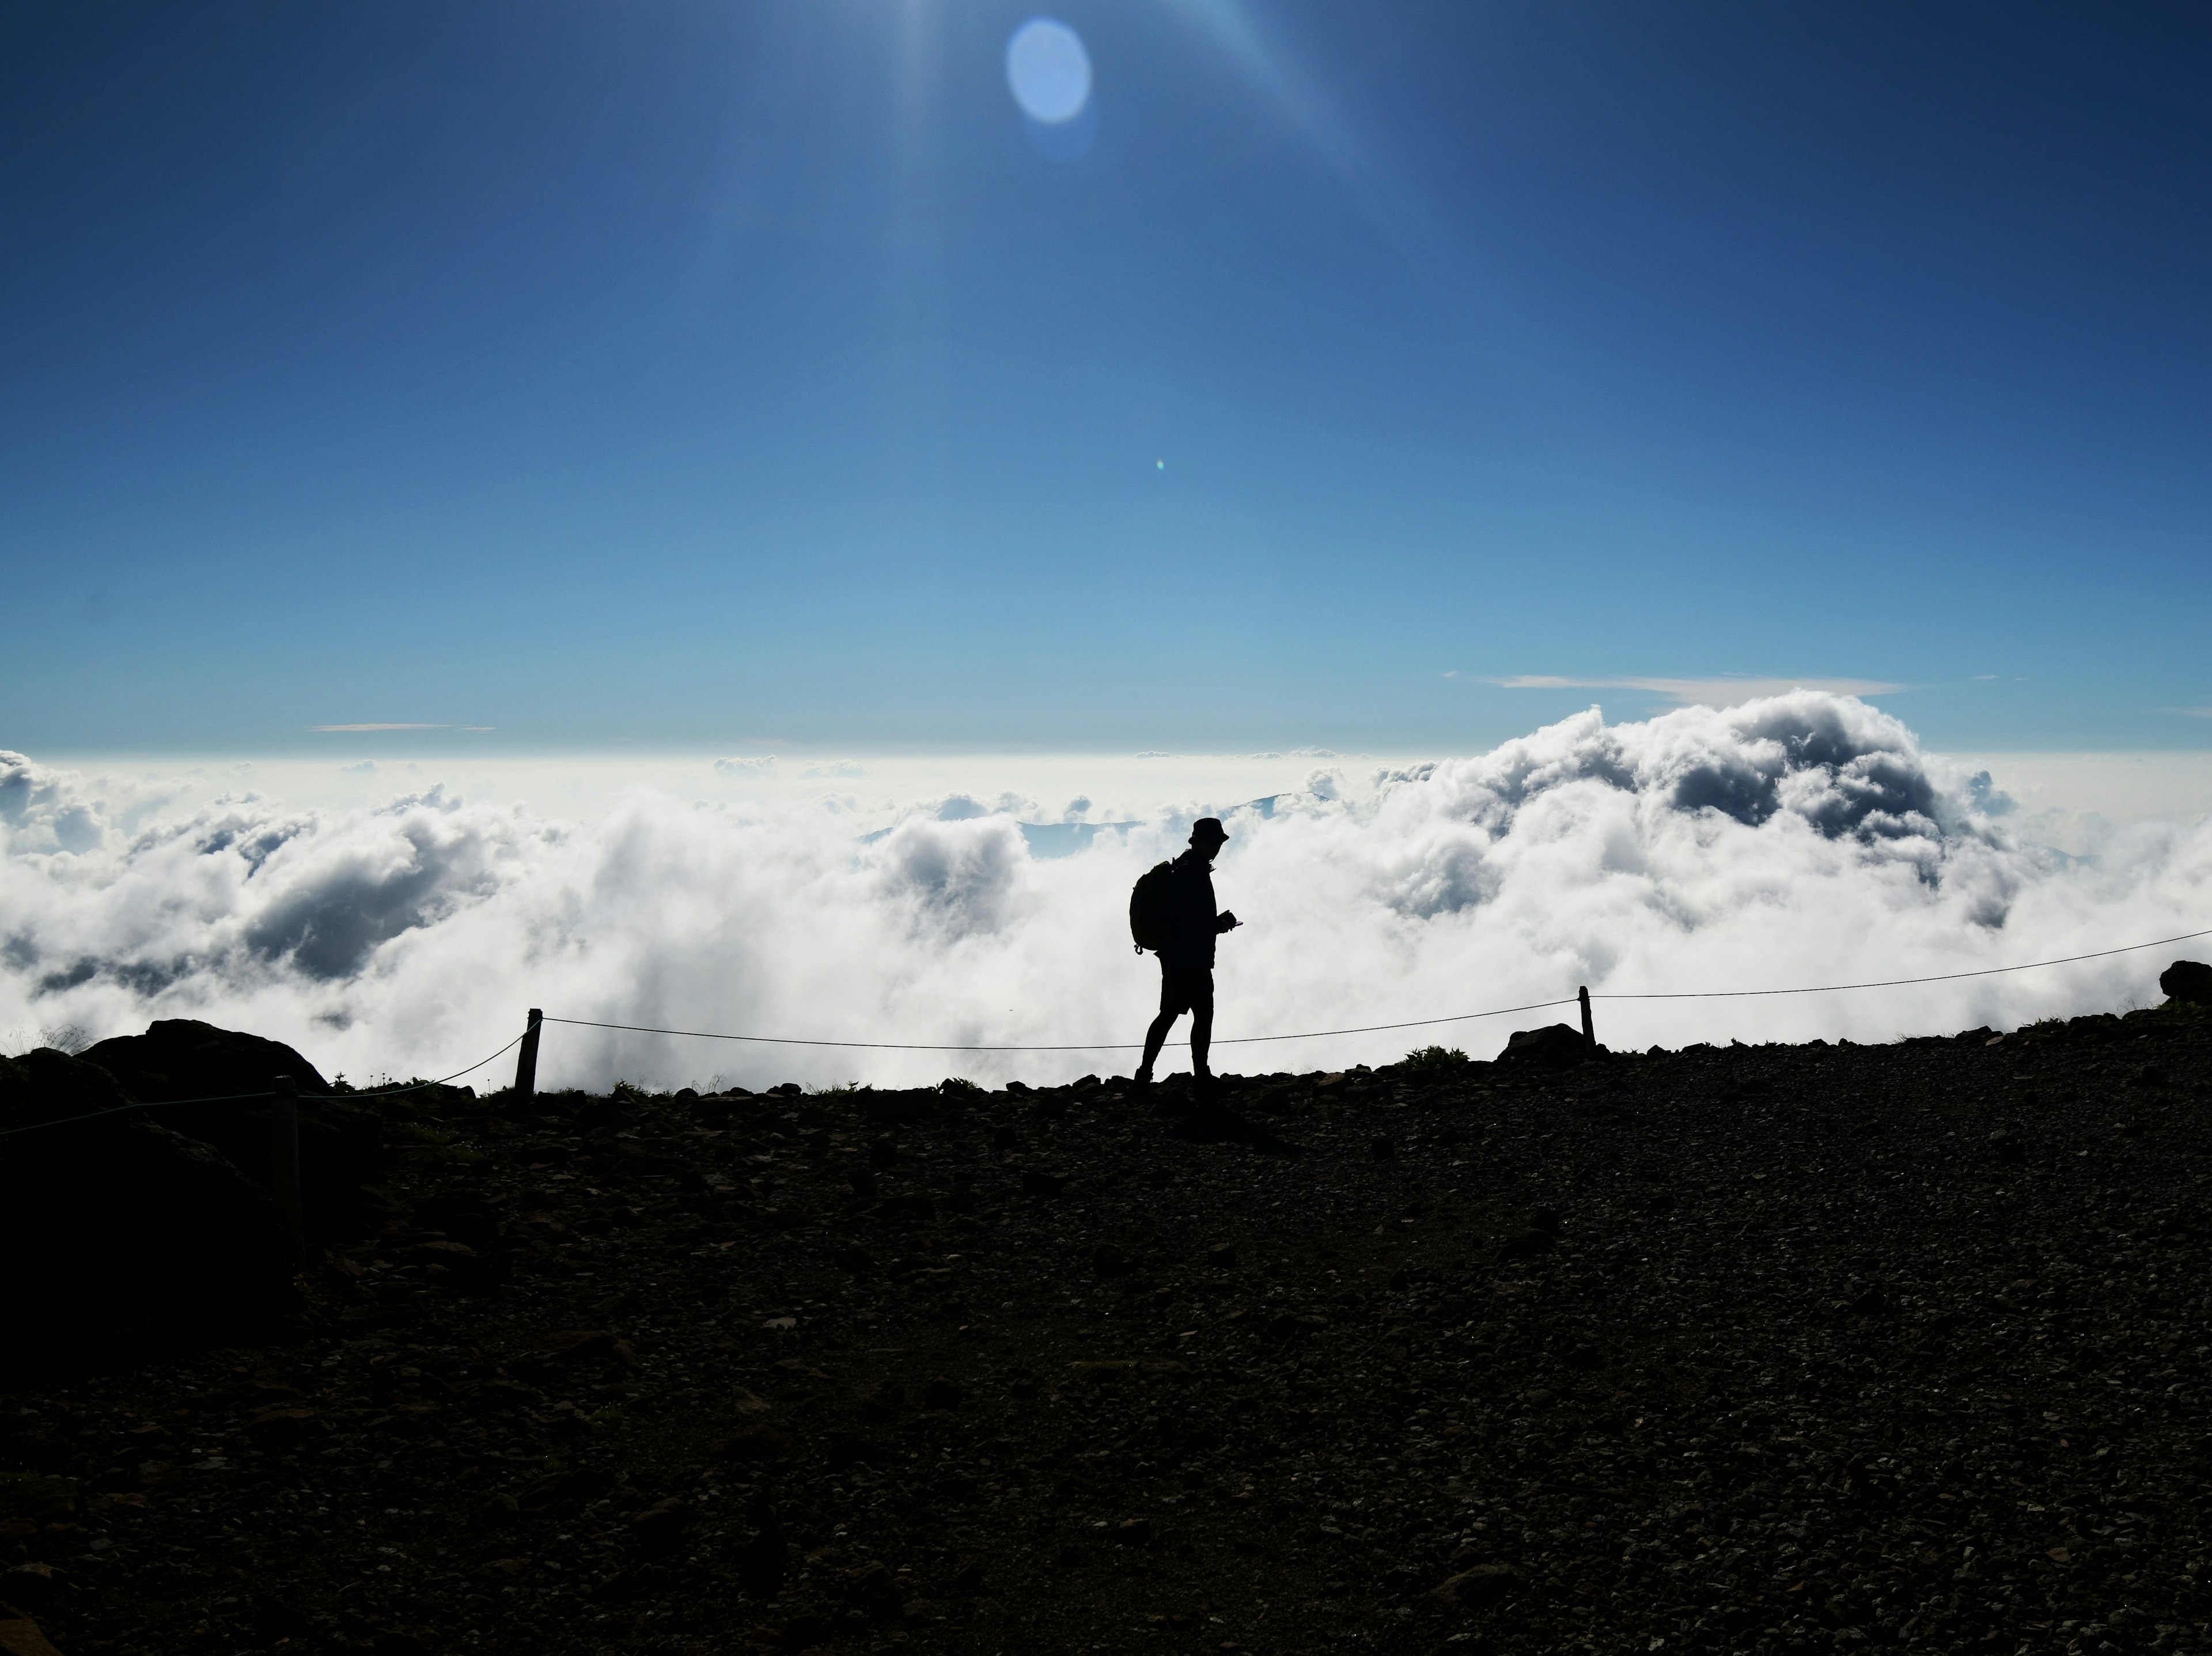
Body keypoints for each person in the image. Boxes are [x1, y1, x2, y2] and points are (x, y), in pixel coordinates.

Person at [1135, 817, 1240, 1092]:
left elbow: (1188, 919)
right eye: (1214, 842)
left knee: (1188, 1015)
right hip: (1186, 959)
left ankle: (1165, 1075)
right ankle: (1180, 1076)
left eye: (1219, 842)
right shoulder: (1190, 873)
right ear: (1201, 842)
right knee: (1182, 1016)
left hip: (1186, 957)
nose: (1218, 847)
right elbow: (1190, 923)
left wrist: (1213, 924)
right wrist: (1219, 925)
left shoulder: (1186, 869)